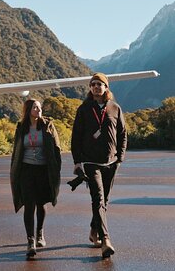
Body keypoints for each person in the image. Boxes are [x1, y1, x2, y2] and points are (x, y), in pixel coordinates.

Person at [71, 72, 126, 259]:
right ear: (90, 88)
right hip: (90, 162)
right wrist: (77, 162)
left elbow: (123, 134)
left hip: (111, 162)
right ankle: (106, 240)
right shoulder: (84, 109)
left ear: (106, 87)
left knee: (105, 201)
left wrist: (120, 157)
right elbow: (76, 137)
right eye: (93, 84)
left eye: (99, 84)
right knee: (98, 199)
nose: (95, 87)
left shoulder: (115, 108)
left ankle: (94, 229)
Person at [10, 99, 62, 258]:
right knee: (29, 204)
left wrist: (55, 169)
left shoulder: (48, 126)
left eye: (39, 107)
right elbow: (16, 151)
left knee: (41, 202)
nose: (38, 110)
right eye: (35, 107)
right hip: (26, 170)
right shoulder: (21, 128)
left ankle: (40, 233)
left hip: (43, 170)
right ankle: (30, 241)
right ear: (28, 110)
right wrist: (15, 171)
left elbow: (57, 149)